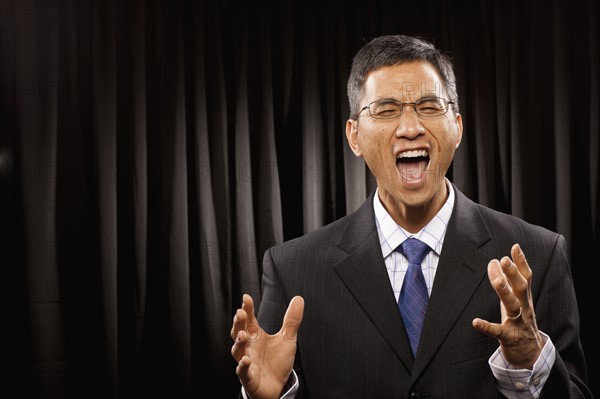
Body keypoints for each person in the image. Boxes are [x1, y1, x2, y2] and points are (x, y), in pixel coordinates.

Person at [229, 34, 593, 399]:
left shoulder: (538, 256)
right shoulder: (292, 269)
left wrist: (531, 363)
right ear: (354, 137)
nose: (409, 128)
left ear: (458, 127)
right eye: (386, 110)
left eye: (429, 107)